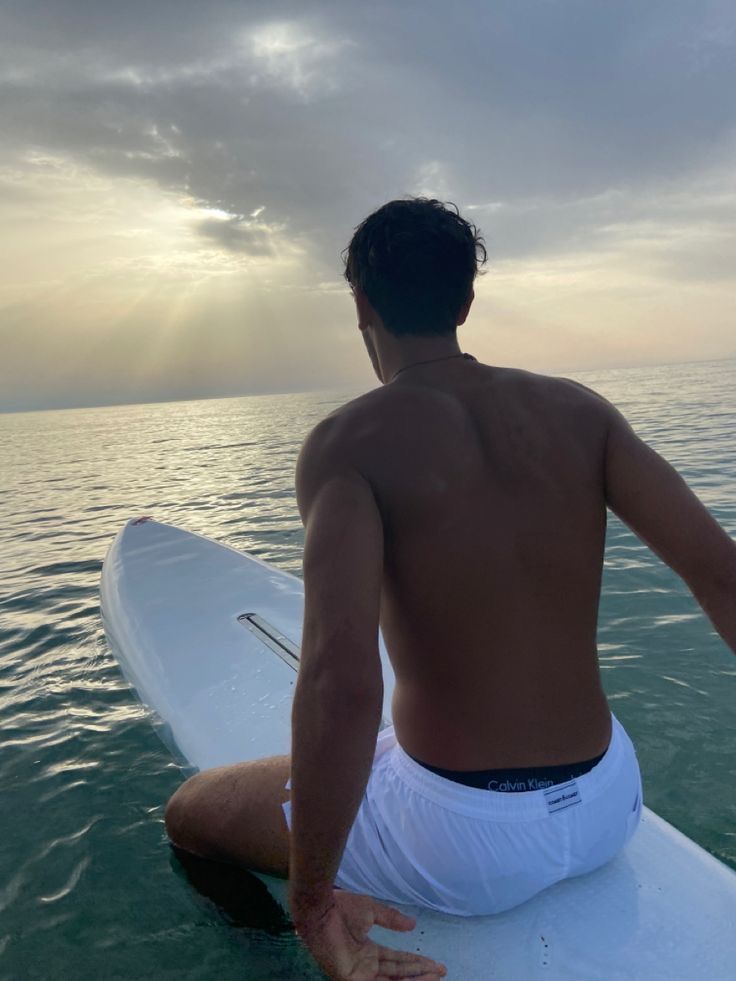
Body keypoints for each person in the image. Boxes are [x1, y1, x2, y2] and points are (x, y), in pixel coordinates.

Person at [164, 197, 736, 981]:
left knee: (192, 813)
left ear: (360, 302)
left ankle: (285, 956)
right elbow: (722, 574)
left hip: (462, 844)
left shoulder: (346, 445)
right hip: (610, 802)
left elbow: (342, 678)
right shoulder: (580, 411)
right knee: (395, 743)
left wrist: (314, 896)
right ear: (466, 300)